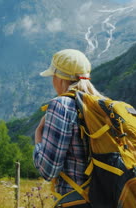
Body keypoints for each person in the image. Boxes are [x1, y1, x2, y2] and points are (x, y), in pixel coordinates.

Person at [33, 49, 106, 200]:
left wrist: (38, 135)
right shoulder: (102, 106)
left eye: (53, 76)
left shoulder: (61, 105)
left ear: (60, 78)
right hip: (106, 199)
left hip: (76, 200)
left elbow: (48, 171)